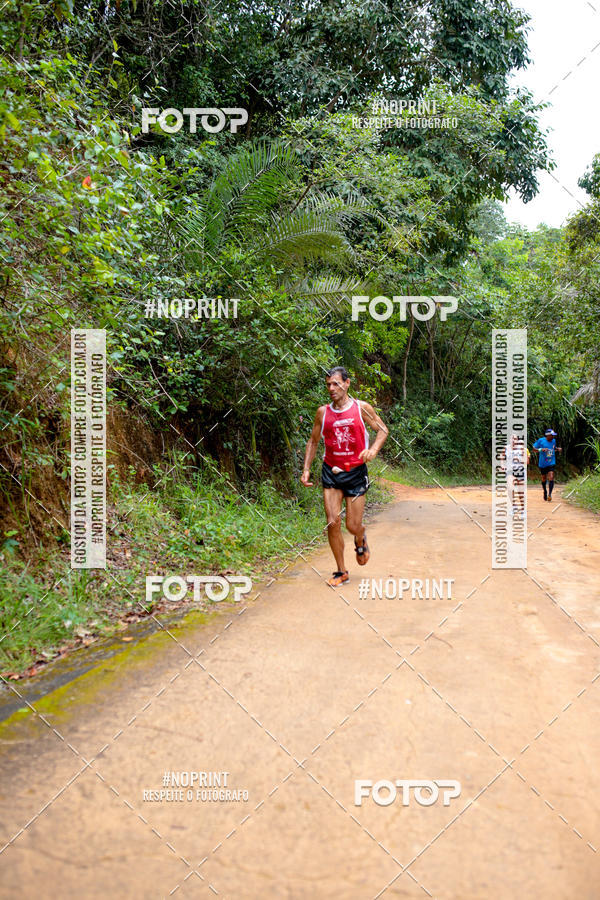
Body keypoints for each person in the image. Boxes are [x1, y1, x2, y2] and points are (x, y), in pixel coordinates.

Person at [301, 366, 389, 586]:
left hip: (356, 472)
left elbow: (383, 430)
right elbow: (313, 441)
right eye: (328, 385)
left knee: (352, 525)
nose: (331, 388)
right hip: (331, 471)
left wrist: (373, 451)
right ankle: (341, 571)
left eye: (336, 384)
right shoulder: (323, 413)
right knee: (332, 522)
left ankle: (360, 537)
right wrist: (306, 469)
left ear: (347, 384)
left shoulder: (362, 408)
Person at [500, 432, 530, 516]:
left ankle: (523, 510)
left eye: (515, 439)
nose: (513, 440)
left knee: (520, 493)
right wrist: (502, 465)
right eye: (512, 438)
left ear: (517, 440)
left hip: (520, 471)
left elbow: (527, 462)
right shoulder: (506, 448)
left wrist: (520, 460)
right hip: (510, 471)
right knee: (510, 488)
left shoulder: (523, 449)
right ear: (509, 439)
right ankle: (514, 506)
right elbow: (502, 455)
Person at [532, 429, 562, 501]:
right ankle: (545, 491)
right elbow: (534, 449)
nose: (553, 437)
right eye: (552, 435)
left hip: (551, 462)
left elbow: (553, 448)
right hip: (543, 463)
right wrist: (541, 449)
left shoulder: (553, 441)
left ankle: (550, 494)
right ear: (547, 435)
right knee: (543, 478)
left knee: (551, 477)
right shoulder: (541, 440)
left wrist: (558, 449)